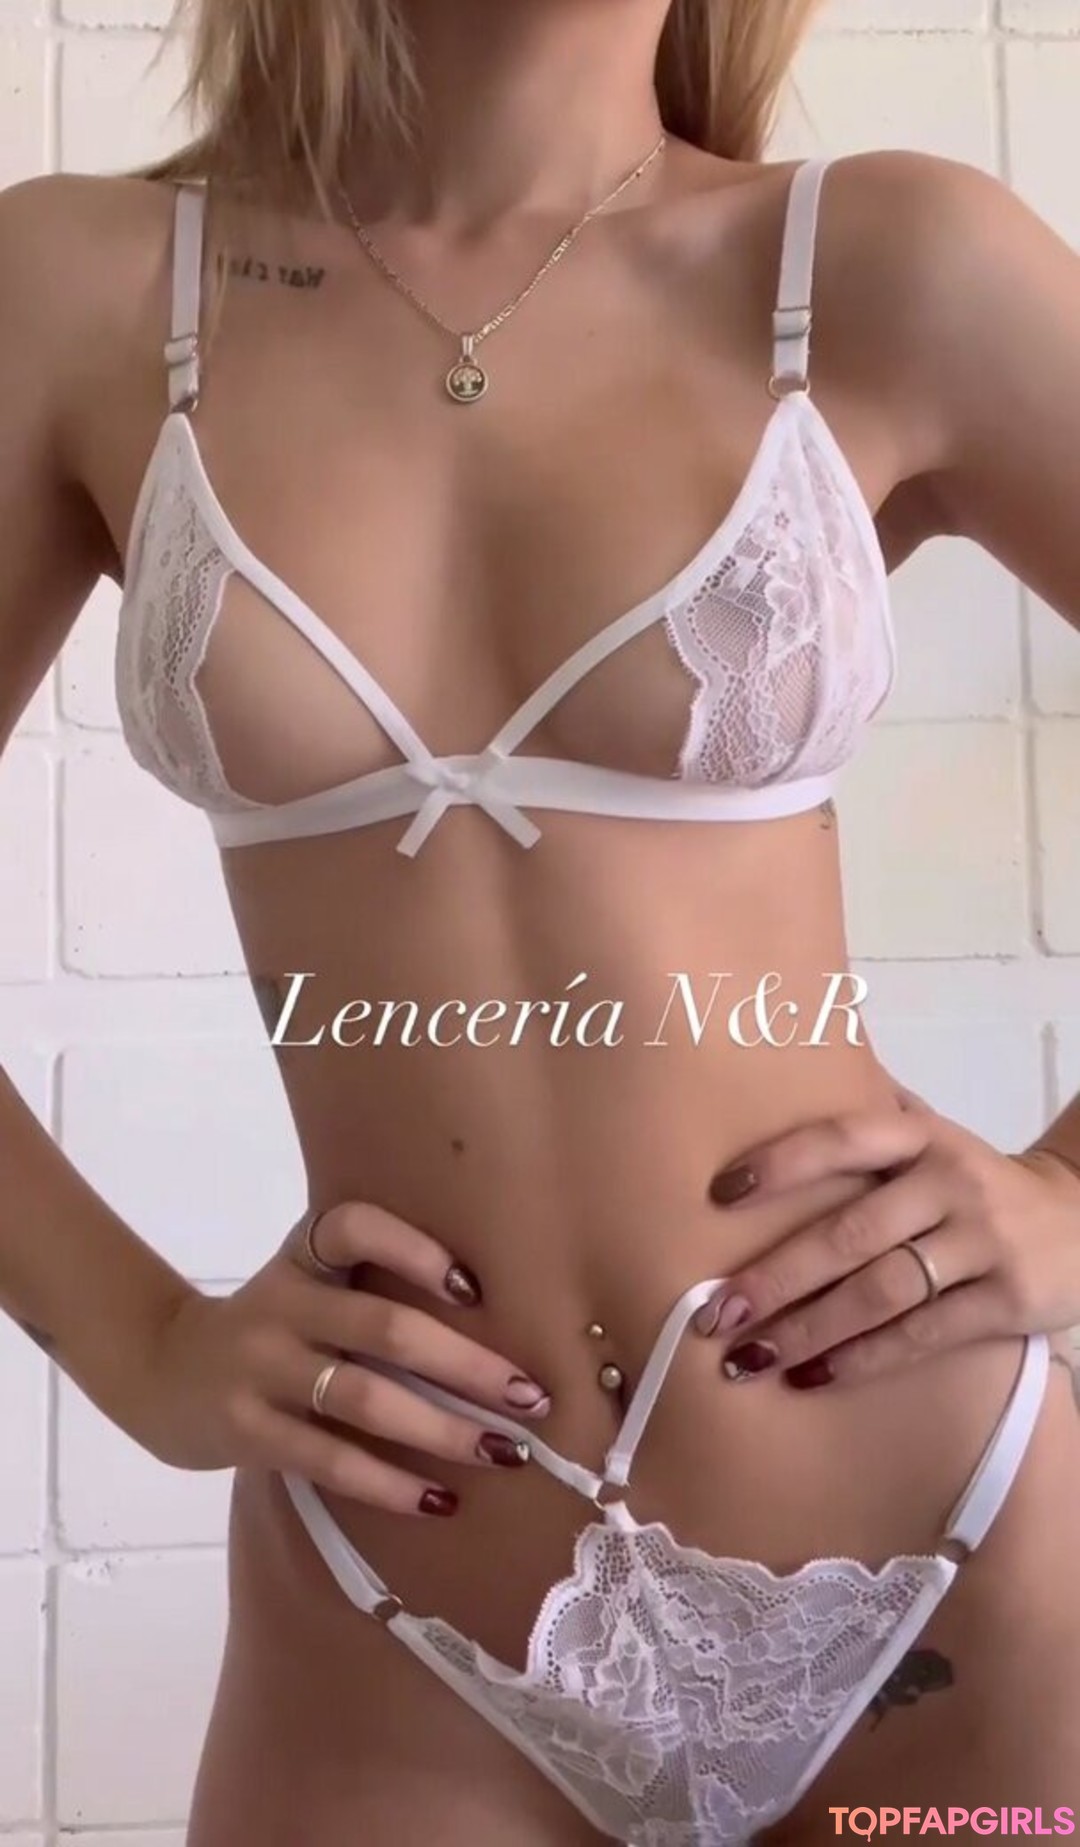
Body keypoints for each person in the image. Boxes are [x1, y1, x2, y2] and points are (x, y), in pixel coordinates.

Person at [2, 1, 1080, 1841]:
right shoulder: (87, 296)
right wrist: (141, 1348)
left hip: (946, 1583)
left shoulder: (886, 268)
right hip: (390, 1619)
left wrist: (1068, 1197)